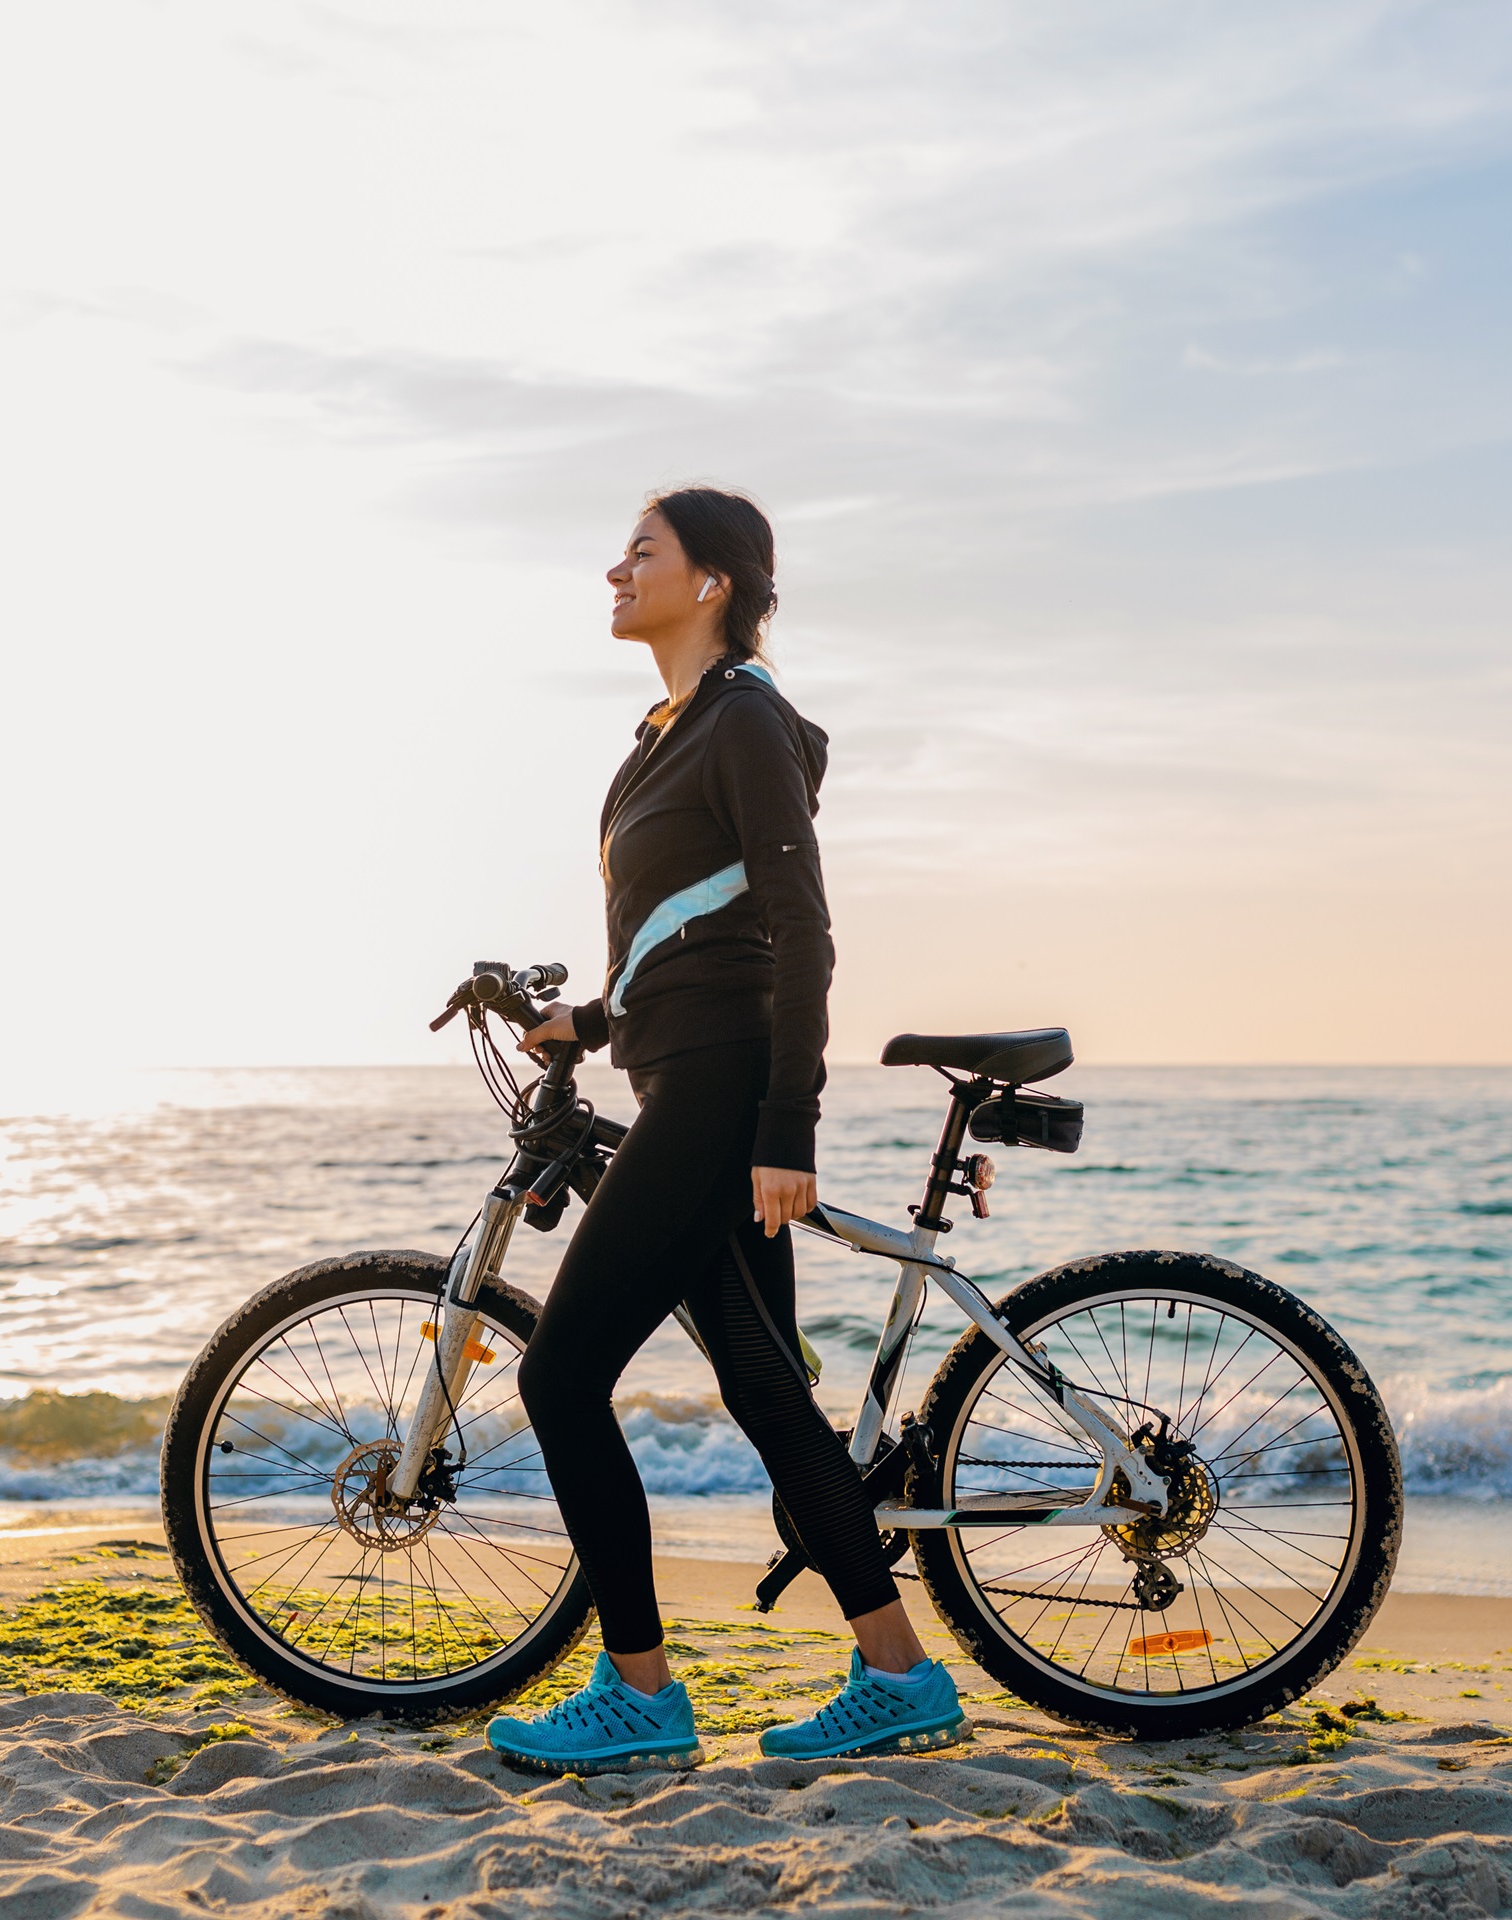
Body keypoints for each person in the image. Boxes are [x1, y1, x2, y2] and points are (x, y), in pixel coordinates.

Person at [485, 486, 968, 1775]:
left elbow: (798, 928)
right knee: (761, 1386)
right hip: (678, 1074)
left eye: (641, 551)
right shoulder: (665, 731)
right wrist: (584, 1026)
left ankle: (640, 1693)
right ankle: (900, 1674)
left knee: (559, 1373)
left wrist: (784, 1126)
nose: (613, 569)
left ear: (711, 581)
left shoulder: (743, 720)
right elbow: (687, 936)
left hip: (719, 1095)